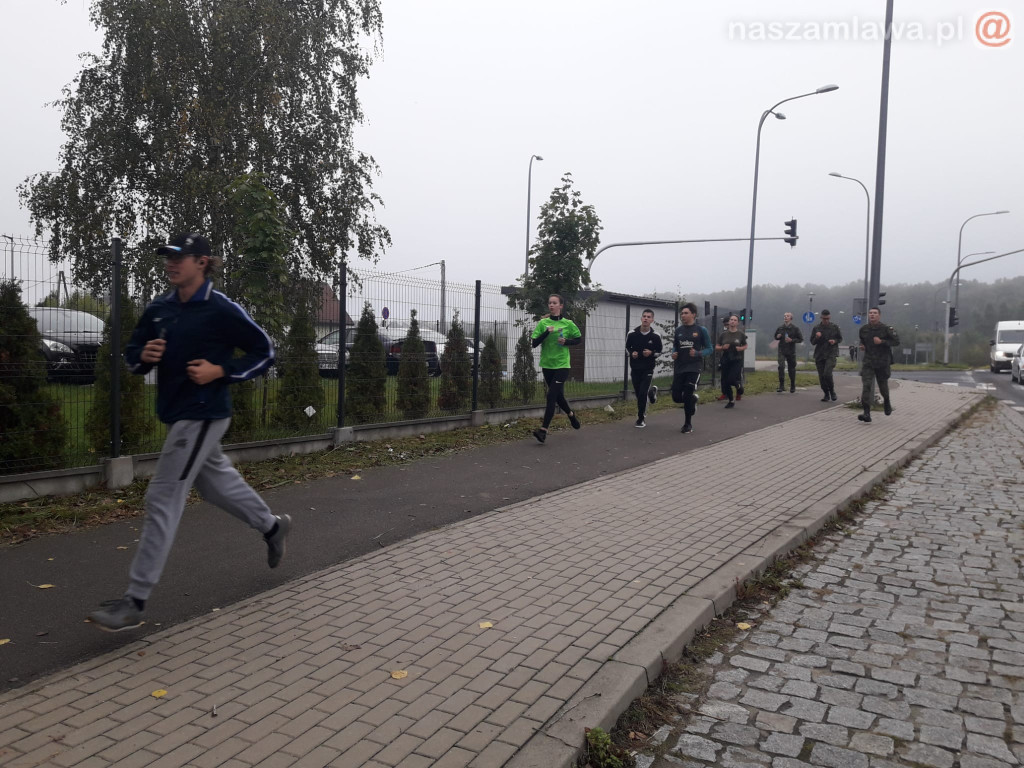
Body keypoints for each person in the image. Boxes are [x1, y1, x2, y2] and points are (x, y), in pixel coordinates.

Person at [88, 233, 288, 632]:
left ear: (202, 262)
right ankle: (272, 526)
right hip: (178, 413)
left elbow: (264, 351)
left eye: (179, 257)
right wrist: (142, 357)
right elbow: (132, 353)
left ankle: (135, 600)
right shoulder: (160, 308)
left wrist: (221, 371)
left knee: (162, 496)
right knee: (214, 486)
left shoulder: (220, 309)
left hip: (203, 414)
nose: (171, 264)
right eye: (167, 258)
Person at [530, 293, 582, 443]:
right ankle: (571, 414)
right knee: (558, 396)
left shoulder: (568, 323)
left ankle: (543, 431)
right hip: (547, 365)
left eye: (554, 303)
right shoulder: (543, 323)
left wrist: (566, 341)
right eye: (549, 303)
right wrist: (547, 332)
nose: (551, 305)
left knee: (551, 396)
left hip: (562, 365)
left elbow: (578, 339)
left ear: (561, 306)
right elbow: (534, 343)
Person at [671, 302, 713, 433]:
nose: (682, 315)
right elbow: (675, 346)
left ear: (693, 315)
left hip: (694, 367)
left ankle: (688, 424)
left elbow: (710, 349)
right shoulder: (678, 331)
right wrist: (674, 353)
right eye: (682, 313)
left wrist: (698, 353)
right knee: (677, 397)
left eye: (686, 313)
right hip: (680, 367)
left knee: (688, 393)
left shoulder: (701, 330)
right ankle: (693, 400)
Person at [857, 306, 900, 423]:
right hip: (868, 362)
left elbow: (896, 341)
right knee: (866, 386)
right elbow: (862, 340)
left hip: (882, 362)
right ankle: (866, 413)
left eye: (875, 313)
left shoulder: (886, 329)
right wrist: (862, 346)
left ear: (879, 315)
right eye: (870, 313)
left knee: (883, 387)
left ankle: (886, 401)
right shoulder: (864, 329)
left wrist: (882, 342)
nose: (872, 315)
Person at [625, 308, 663, 428]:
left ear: (652, 320)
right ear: (641, 319)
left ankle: (641, 418)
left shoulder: (656, 336)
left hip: (648, 369)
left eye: (648, 317)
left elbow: (659, 352)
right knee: (639, 394)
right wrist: (632, 353)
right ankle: (651, 393)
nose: (646, 318)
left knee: (642, 394)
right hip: (635, 368)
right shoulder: (632, 333)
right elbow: (626, 349)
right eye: (644, 316)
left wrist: (651, 353)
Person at [809, 309, 842, 402]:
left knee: (827, 374)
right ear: (821, 318)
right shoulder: (816, 328)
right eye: (824, 319)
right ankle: (826, 394)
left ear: (830, 317)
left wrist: (834, 341)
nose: (826, 320)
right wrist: (817, 337)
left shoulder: (835, 327)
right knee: (821, 376)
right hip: (819, 354)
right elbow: (812, 342)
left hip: (831, 353)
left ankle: (832, 391)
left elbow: (840, 338)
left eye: (827, 318)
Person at [715, 314, 748, 408]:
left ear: (737, 323)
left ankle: (738, 387)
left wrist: (740, 348)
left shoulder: (740, 334)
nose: (732, 321)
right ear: (729, 322)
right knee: (725, 382)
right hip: (726, 359)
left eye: (734, 320)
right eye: (731, 320)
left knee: (732, 379)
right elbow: (716, 347)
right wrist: (722, 347)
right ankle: (731, 400)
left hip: (737, 359)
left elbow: (745, 345)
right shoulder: (723, 334)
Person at [773, 312, 803, 393]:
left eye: (787, 316)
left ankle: (792, 385)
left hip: (791, 351)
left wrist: (792, 340)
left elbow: (800, 339)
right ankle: (781, 385)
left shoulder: (795, 328)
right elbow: (775, 336)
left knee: (791, 368)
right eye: (785, 316)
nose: (785, 317)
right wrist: (777, 336)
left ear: (791, 318)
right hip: (781, 350)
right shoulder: (780, 328)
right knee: (781, 366)